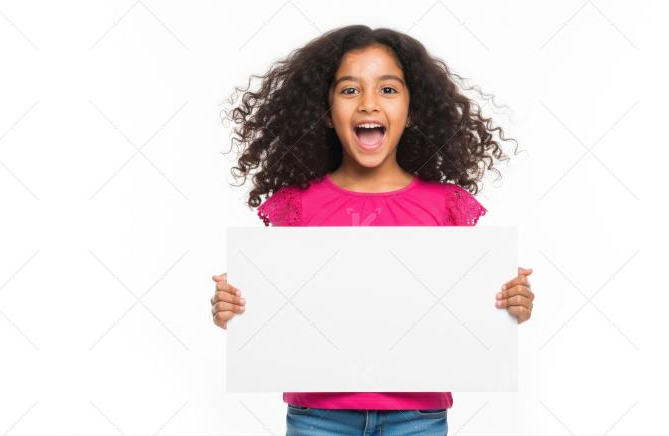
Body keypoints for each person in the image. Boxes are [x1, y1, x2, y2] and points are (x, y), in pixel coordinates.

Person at [210, 24, 535, 436]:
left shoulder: (446, 206)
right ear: (326, 112)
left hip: (417, 419)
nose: (368, 104)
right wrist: (234, 312)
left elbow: (465, 309)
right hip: (318, 418)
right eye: (349, 90)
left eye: (387, 89)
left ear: (413, 109)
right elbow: (275, 310)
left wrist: (510, 306)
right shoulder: (297, 206)